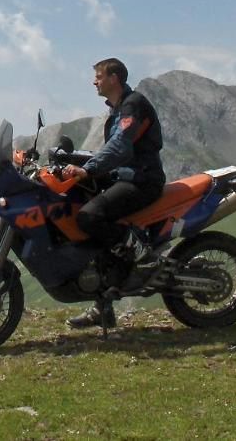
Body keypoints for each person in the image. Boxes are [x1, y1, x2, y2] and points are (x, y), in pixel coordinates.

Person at [62, 57, 166, 329]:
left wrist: (89, 169)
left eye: (98, 76)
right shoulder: (119, 109)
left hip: (142, 180)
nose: (94, 82)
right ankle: (103, 307)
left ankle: (144, 257)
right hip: (125, 177)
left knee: (89, 217)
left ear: (114, 78)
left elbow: (120, 146)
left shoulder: (133, 105)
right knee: (91, 229)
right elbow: (114, 149)